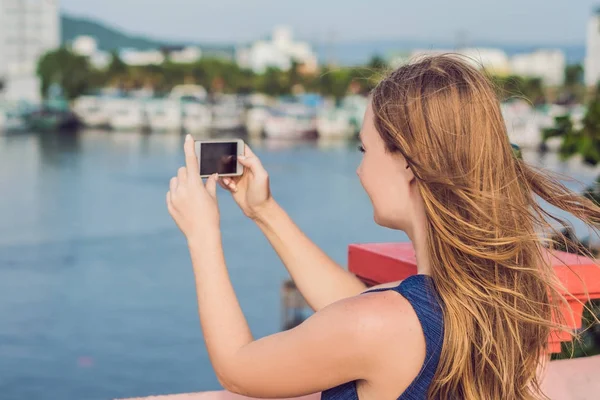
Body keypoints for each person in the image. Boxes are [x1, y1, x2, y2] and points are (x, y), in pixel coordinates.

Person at [166, 55, 600, 399]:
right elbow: (367, 311)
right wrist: (264, 212)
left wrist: (203, 236)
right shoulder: (493, 294)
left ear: (407, 162)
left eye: (364, 148)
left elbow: (239, 368)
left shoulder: (383, 323)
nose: (358, 170)